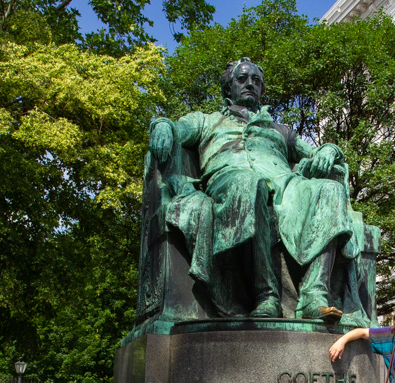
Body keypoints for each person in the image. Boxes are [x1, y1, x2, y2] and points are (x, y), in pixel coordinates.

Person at [148, 57, 365, 321]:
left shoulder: (280, 131)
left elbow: (315, 151)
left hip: (286, 185)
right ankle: (266, 296)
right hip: (229, 180)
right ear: (228, 88)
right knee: (251, 185)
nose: (250, 84)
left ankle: (313, 296)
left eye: (257, 81)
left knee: (330, 189)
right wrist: (161, 124)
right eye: (242, 79)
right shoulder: (206, 121)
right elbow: (177, 128)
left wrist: (330, 149)